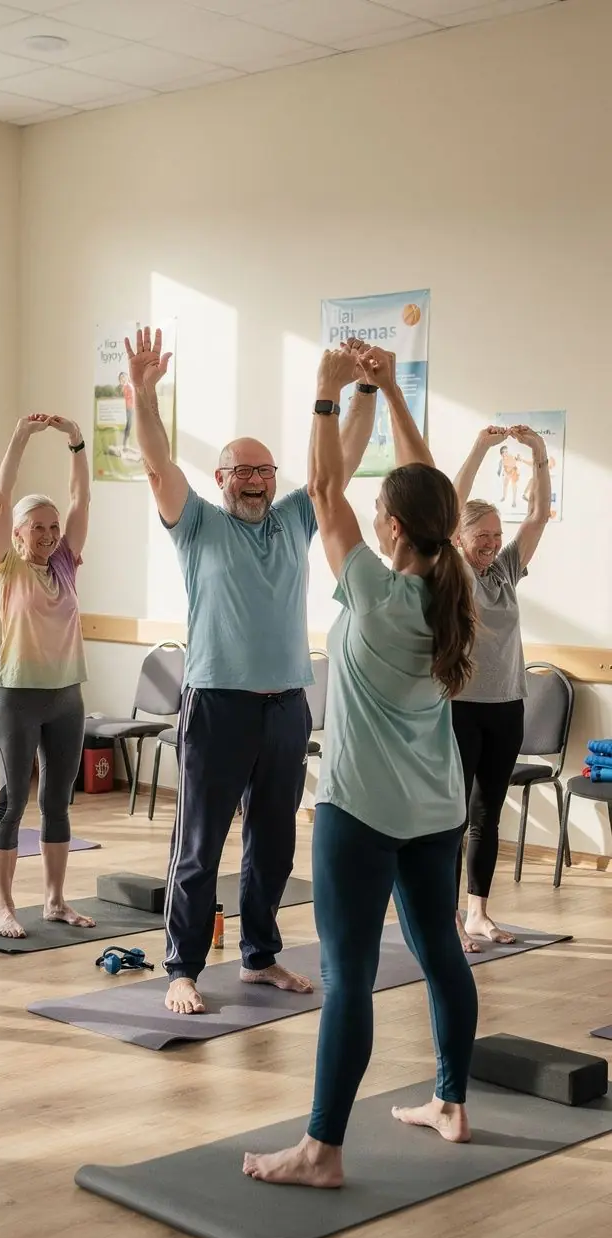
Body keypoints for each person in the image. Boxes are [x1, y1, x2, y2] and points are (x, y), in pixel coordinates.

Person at [244, 343, 479, 1188]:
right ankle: (451, 1103)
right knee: (441, 954)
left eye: (381, 507)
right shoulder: (461, 591)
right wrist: (388, 394)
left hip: (361, 814)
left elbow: (320, 490)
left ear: (389, 526)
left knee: (347, 978)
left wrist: (324, 393)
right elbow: (430, 498)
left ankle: (321, 1150)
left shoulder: (377, 595)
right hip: (436, 810)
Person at [126, 326, 377, 1016]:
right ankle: (183, 967)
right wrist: (145, 394)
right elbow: (155, 465)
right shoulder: (198, 524)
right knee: (200, 846)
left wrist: (365, 390)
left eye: (265, 470)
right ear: (222, 479)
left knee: (273, 846)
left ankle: (260, 957)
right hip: (217, 705)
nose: (257, 480)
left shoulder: (296, 519)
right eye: (243, 470)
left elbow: (344, 462)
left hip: (286, 706)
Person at [0, 412, 93, 939]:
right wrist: (22, 434)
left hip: (66, 697)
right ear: (18, 532)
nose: (50, 535)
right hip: (16, 698)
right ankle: (3, 906)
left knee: (57, 800)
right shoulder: (6, 566)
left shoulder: (67, 563)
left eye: (54, 527)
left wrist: (77, 441)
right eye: (39, 527)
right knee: (13, 801)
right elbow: (0, 497)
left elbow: (81, 502)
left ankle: (54, 900)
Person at [451, 422, 552, 949]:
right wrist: (480, 446)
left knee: (488, 813)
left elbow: (537, 517)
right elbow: (451, 504)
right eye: (481, 536)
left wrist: (538, 453)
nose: (491, 544)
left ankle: (478, 912)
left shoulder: (506, 570)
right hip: (459, 708)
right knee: (452, 816)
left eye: (495, 534)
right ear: (460, 538)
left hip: (507, 704)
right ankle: (444, 916)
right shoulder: (454, 572)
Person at [119, 371, 135, 453]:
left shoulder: (129, 387)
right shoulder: (124, 387)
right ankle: (125, 445)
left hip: (129, 409)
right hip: (127, 409)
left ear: (126, 378)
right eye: (121, 378)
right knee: (127, 427)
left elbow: (131, 399)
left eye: (123, 377)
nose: (122, 379)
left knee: (128, 427)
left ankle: (125, 445)